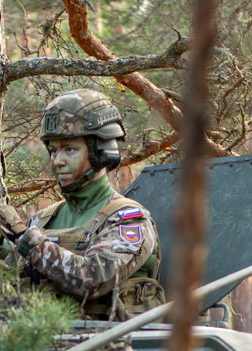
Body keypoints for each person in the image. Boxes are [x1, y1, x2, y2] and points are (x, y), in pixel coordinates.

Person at [13, 90, 163, 320]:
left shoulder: (129, 219)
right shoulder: (43, 220)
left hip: (113, 348)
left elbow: (93, 279)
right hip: (45, 345)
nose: (57, 161)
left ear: (100, 153)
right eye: (53, 151)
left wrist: (29, 241)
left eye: (69, 149)